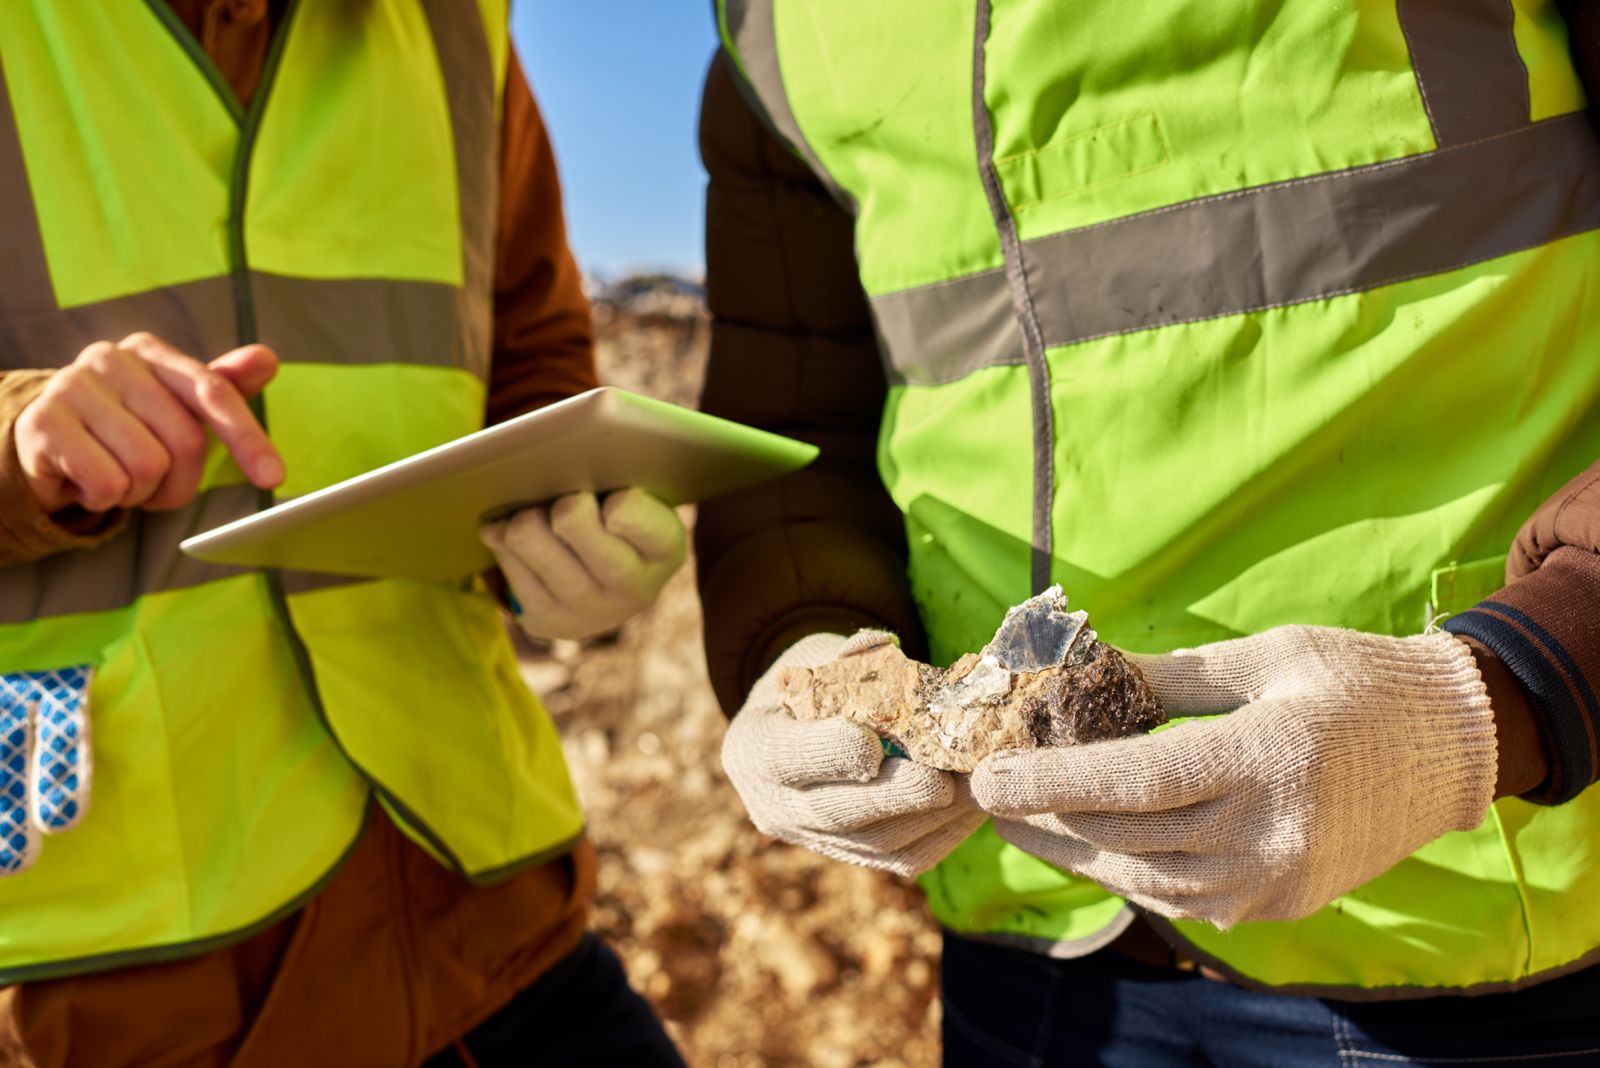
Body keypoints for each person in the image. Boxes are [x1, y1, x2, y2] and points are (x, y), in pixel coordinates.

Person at [697, 0, 1600, 1063]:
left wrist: (1508, 687)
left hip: (1471, 932)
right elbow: (797, 422)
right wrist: (796, 641)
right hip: (1032, 946)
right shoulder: (768, 21)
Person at [0, 4, 687, 1065]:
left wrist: (565, 526)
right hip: (118, 975)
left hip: (487, 907)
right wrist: (19, 443)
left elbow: (534, 349)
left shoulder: (459, 26)